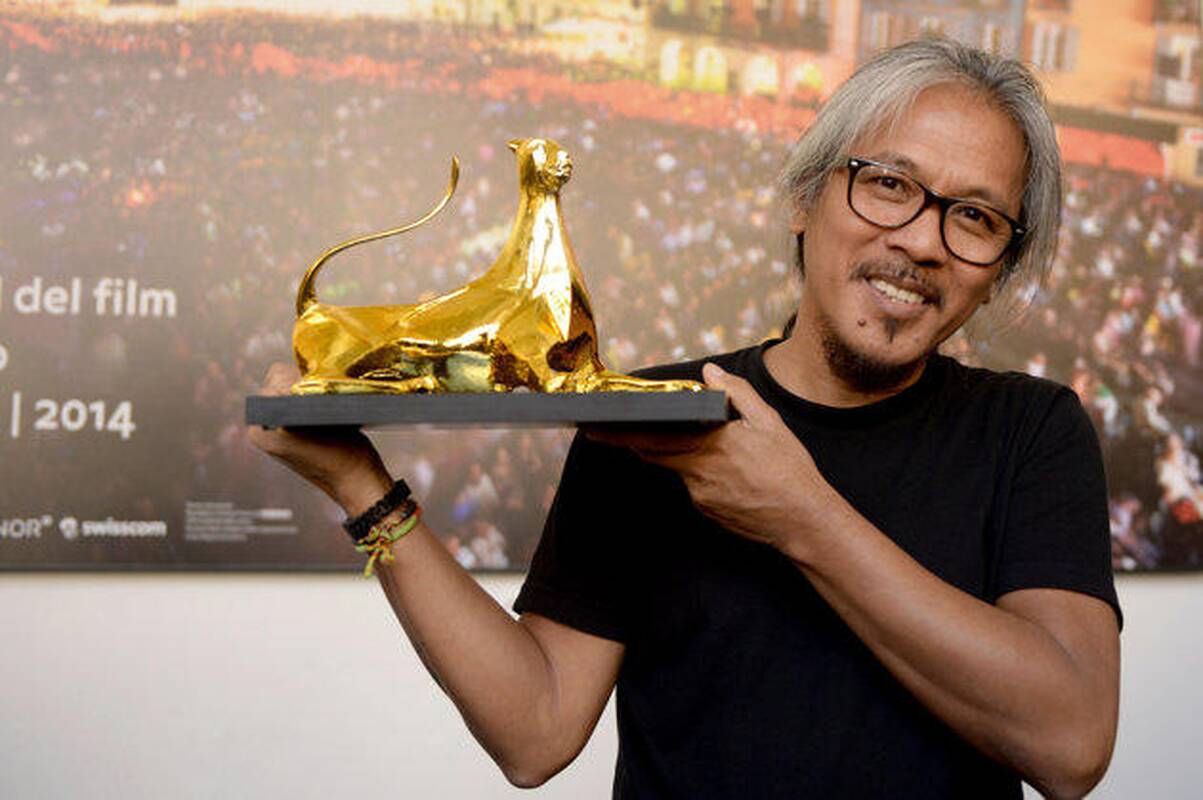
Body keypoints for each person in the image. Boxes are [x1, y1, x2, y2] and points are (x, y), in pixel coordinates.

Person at [251, 39, 1120, 799]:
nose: (922, 241)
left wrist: (799, 514)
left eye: (974, 217)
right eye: (888, 184)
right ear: (803, 200)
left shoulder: (1031, 432)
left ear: (999, 271)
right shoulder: (651, 420)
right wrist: (362, 489)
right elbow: (535, 731)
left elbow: (1071, 748)